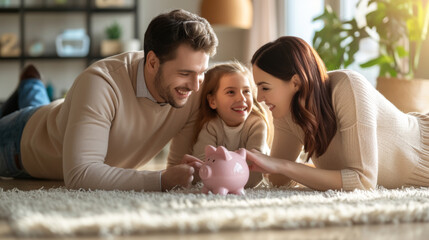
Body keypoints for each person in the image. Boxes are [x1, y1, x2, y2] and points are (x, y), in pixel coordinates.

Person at [0, 9, 218, 191]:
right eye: (185, 73)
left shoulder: (193, 90)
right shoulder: (100, 82)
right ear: (152, 62)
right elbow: (80, 174)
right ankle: (31, 84)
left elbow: (180, 170)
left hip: (63, 116)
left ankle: (32, 84)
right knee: (36, 110)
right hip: (21, 142)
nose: (196, 85)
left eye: (201, 72)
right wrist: (159, 180)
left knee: (43, 105)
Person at [246, 36, 429, 191]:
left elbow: (363, 182)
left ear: (295, 83)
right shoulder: (285, 112)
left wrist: (284, 166)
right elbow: (278, 181)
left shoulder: (347, 86)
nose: (259, 98)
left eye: (265, 87)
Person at [191, 61, 270, 187]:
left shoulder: (256, 125)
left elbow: (254, 174)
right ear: (212, 101)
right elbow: (201, 166)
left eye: (246, 91)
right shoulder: (211, 127)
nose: (242, 98)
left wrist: (222, 179)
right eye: (231, 92)